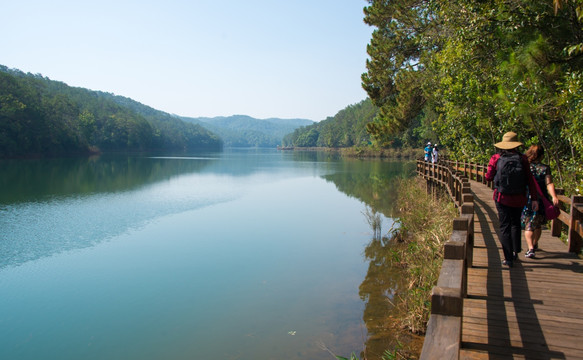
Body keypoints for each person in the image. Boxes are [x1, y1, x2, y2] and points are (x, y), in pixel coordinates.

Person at [485, 131, 539, 268]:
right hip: (520, 198)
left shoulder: (496, 158)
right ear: (516, 145)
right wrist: (534, 198)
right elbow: (530, 180)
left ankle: (508, 258)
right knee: (515, 223)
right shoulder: (523, 159)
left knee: (504, 226)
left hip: (502, 197)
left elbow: (488, 177)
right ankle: (515, 252)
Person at [521, 145, 559, 258]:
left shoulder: (525, 166)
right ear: (541, 156)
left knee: (529, 223)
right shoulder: (545, 168)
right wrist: (554, 196)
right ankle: (534, 244)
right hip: (541, 199)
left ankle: (530, 248)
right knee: (537, 224)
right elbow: (549, 183)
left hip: (527, 198)